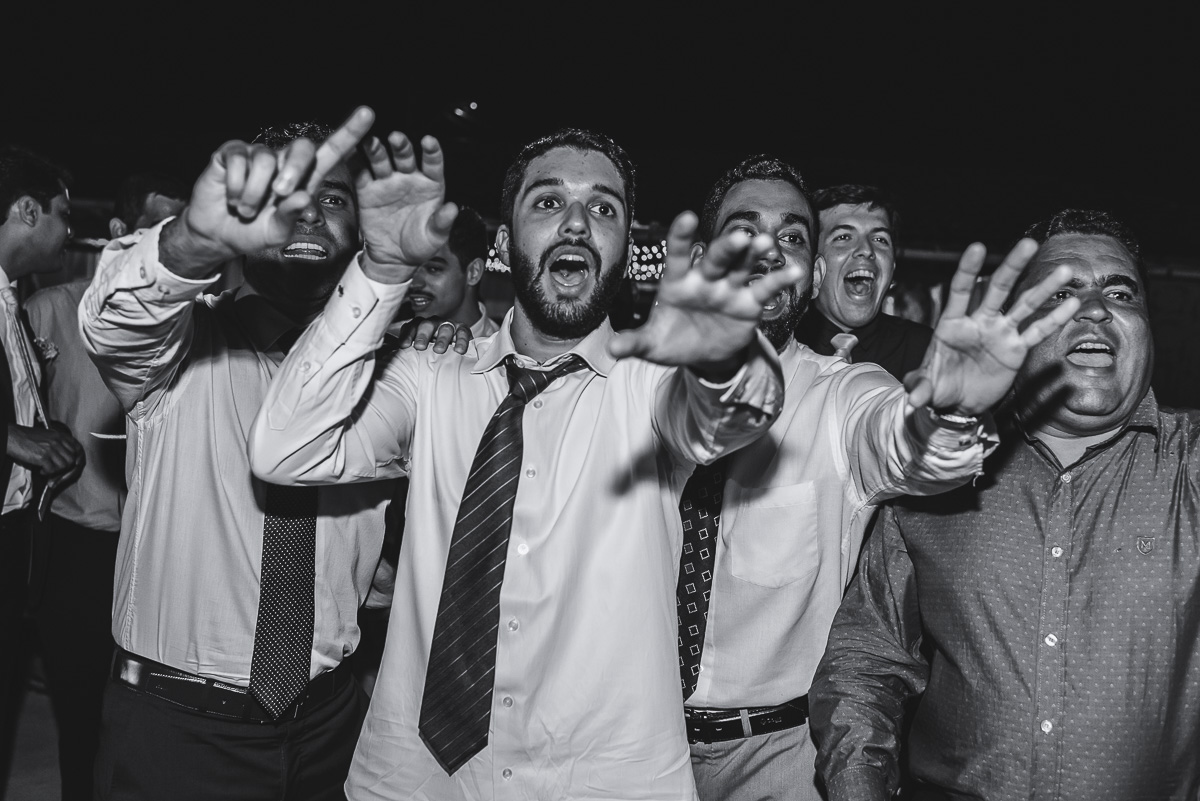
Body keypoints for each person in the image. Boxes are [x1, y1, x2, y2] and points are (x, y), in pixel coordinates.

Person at [248, 127, 801, 800]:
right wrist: (382, 269)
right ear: (505, 245)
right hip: (416, 780)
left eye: (603, 208)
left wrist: (718, 351)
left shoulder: (653, 382)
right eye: (548, 202)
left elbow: (722, 418)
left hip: (609, 783)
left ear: (625, 250)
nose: (577, 222)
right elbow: (287, 448)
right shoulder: (428, 373)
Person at [678, 157, 1079, 801]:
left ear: (810, 277)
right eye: (744, 229)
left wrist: (951, 411)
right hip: (627, 742)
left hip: (776, 761)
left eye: (791, 237)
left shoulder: (844, 393)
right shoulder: (627, 391)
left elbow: (903, 445)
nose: (768, 249)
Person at [810, 209, 1200, 800]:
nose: (1095, 308)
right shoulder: (939, 471)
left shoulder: (1189, 466)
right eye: (1061, 293)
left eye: (1121, 293)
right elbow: (865, 666)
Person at [79, 109, 403, 801]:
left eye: (334, 198)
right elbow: (117, 320)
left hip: (330, 722)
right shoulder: (178, 346)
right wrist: (194, 241)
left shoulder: (393, 371)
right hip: (178, 731)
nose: (310, 213)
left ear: (362, 228)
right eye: (290, 195)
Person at [23, 170, 185, 801]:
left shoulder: (198, 321)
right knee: (78, 711)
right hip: (78, 543)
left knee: (150, 720)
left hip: (159, 550)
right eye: (161, 226)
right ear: (121, 232)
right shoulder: (47, 311)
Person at [0, 144, 85, 789]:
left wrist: (43, 433)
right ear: (28, 211)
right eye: (62, 213)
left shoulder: (14, 298)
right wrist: (12, 438)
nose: (70, 231)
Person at [794, 184, 933, 379]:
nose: (866, 250)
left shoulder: (926, 352)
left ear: (892, 266)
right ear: (814, 266)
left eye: (880, 239)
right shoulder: (777, 346)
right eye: (843, 237)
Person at [391, 205, 498, 338]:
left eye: (433, 269)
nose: (414, 283)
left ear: (473, 272)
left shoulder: (502, 347)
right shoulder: (391, 338)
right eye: (411, 268)